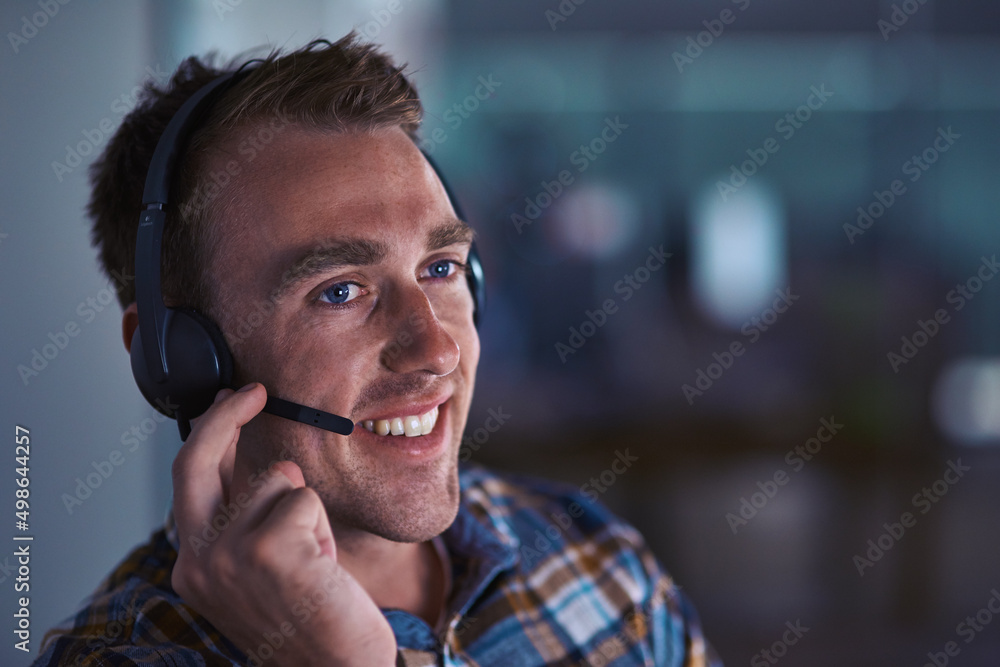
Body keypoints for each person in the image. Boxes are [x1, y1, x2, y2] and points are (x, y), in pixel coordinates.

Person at [33, 33, 720, 666]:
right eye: (340, 291)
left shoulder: (589, 552)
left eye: (442, 268)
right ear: (174, 360)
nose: (435, 350)